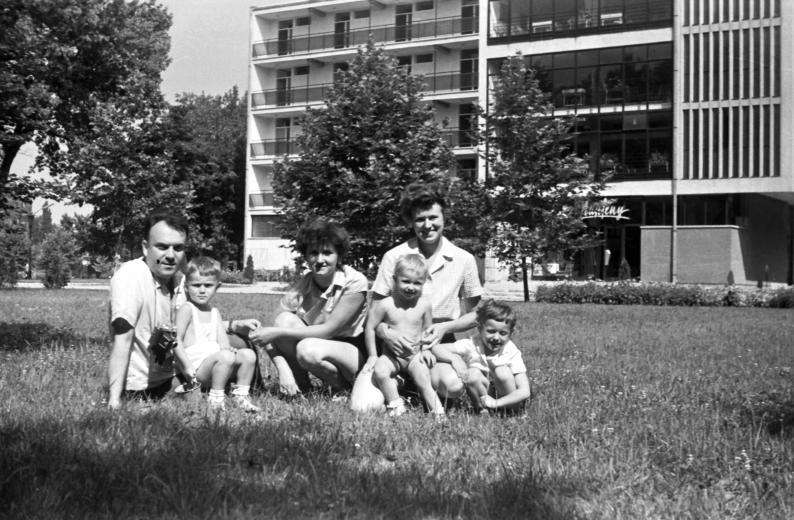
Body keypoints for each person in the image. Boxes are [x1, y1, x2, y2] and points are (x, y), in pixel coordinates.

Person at [371, 182, 483, 401]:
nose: (427, 225)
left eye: (433, 217)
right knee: (364, 406)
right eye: (420, 219)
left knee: (452, 387)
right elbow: (374, 310)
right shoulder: (394, 256)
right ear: (411, 222)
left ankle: (417, 384)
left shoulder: (464, 259)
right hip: (394, 345)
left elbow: (478, 314)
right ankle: (403, 384)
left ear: (444, 217)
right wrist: (386, 333)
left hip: (437, 343)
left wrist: (444, 327)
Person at [248, 219, 374, 396]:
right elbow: (267, 334)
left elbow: (330, 330)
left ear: (339, 256)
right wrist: (283, 369)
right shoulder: (303, 285)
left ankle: (344, 389)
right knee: (283, 320)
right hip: (320, 344)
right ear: (306, 257)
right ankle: (302, 387)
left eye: (327, 253)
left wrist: (278, 332)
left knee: (306, 349)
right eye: (314, 253)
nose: (320, 260)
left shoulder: (354, 281)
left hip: (354, 352)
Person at [106, 209, 190, 409]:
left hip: (175, 370)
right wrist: (114, 400)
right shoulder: (131, 277)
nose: (171, 256)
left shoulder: (179, 278)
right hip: (143, 385)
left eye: (178, 248)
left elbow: (195, 325)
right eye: (162, 247)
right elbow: (122, 338)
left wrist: (233, 325)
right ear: (145, 248)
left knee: (239, 342)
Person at [171, 256, 261, 412]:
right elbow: (175, 339)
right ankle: (216, 399)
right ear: (186, 287)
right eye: (196, 285)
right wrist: (186, 367)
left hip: (218, 364)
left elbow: (223, 341)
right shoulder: (187, 309)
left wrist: (229, 349)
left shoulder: (214, 312)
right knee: (225, 357)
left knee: (248, 355)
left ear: (217, 287)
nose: (202, 290)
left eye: (208, 285)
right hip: (197, 369)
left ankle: (241, 396)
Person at [367, 254, 444, 417]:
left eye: (417, 283)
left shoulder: (424, 305)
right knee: (380, 371)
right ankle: (396, 404)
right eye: (406, 281)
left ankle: (438, 413)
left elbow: (427, 330)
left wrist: (426, 350)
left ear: (424, 282)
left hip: (414, 356)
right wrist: (373, 355)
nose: (411, 287)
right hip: (391, 356)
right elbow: (370, 328)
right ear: (395, 279)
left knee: (424, 378)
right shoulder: (386, 304)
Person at [436, 300, 530, 413]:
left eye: (503, 333)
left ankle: (511, 412)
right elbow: (437, 348)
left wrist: (496, 403)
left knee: (502, 372)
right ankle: (483, 410)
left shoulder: (510, 351)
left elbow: (525, 391)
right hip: (487, 397)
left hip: (510, 399)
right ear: (480, 328)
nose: (496, 338)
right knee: (472, 373)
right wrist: (454, 359)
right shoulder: (473, 343)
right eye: (491, 331)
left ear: (511, 333)